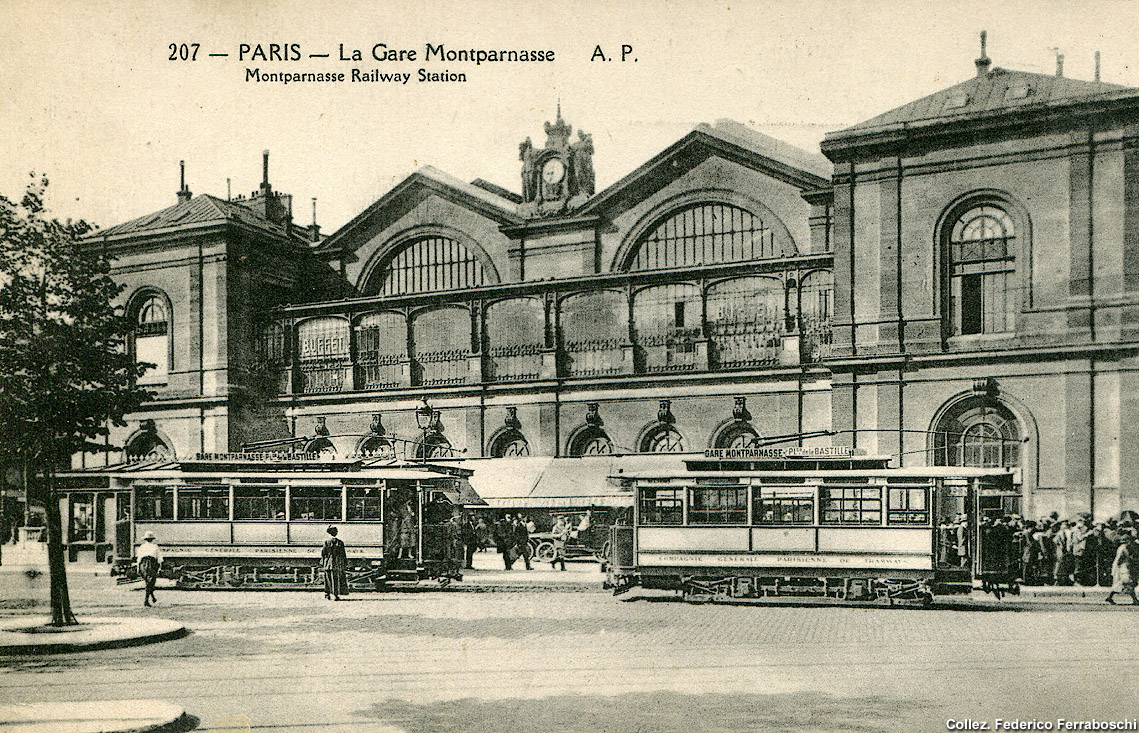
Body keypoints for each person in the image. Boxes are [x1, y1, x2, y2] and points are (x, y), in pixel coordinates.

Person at [1106, 531, 1139, 605]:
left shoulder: (1124, 548)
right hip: (1123, 567)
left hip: (1124, 567)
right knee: (1126, 582)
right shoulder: (1123, 548)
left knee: (1128, 583)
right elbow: (1121, 559)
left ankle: (1135, 599)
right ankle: (1110, 596)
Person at [321, 526, 349, 600]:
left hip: (328, 564)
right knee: (336, 580)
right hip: (337, 563)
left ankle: (327, 594)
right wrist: (344, 563)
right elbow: (343, 554)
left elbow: (323, 553)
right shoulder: (340, 542)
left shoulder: (326, 542)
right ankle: (335, 595)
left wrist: (323, 563)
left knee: (327, 580)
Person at [137, 531, 162, 607]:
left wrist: (138, 567)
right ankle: (147, 600)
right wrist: (160, 567)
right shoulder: (155, 546)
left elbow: (139, 558)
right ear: (152, 539)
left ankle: (151, 598)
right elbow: (159, 558)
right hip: (152, 563)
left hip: (143, 564)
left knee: (148, 582)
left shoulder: (142, 546)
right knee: (151, 582)